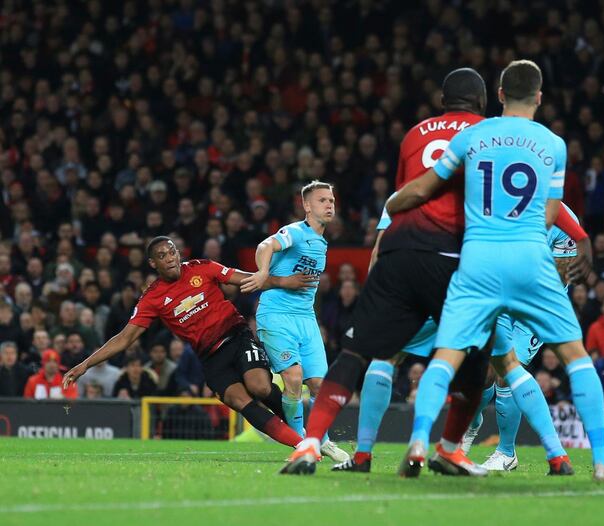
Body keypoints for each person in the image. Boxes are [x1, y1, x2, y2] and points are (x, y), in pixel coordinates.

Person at [377, 60, 604, 481]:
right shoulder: (554, 145)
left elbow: (422, 188)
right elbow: (550, 215)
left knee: (448, 355)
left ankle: (420, 439)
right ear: (540, 97)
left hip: (479, 261)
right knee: (574, 357)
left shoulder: (474, 135)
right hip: (530, 257)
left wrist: (391, 207)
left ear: (499, 94)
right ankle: (601, 461)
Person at [281, 68, 493, 476]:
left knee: (359, 353)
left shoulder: (415, 134)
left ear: (442, 100)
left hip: (398, 252)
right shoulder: (489, 133)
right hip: (454, 258)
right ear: (483, 101)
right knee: (474, 361)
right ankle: (448, 449)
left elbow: (401, 199)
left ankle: (311, 443)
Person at [63, 237, 301, 449]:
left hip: (236, 336)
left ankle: (306, 433)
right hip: (210, 357)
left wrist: (284, 282)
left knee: (259, 386)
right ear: (153, 264)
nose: (170, 258)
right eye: (162, 255)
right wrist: (85, 365)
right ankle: (301, 445)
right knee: (238, 400)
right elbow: (125, 338)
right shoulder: (152, 298)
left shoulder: (204, 268)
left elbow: (247, 279)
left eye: (172, 251)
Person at [459, 202, 589, 473]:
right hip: (502, 299)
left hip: (537, 308)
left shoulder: (565, 219)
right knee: (483, 373)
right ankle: (470, 426)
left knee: (508, 370)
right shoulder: (503, 207)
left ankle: (506, 452)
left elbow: (560, 274)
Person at [240, 181, 348, 463]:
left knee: (318, 385)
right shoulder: (296, 232)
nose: (329, 205)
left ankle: (321, 441)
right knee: (293, 379)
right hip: (276, 315)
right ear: (307, 205)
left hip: (306, 318)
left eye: (332, 201)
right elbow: (266, 245)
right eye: (323, 200)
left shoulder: (321, 242)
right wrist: (263, 271)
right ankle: (301, 442)